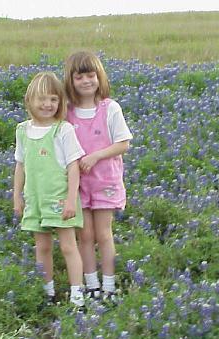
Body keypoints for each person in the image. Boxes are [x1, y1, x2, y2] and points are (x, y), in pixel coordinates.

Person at [64, 51, 132, 303]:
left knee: (104, 234)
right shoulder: (67, 112)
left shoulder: (110, 108)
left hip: (105, 181)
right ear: (70, 80)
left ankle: (109, 284)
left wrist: (95, 156)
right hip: (78, 185)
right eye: (79, 76)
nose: (86, 81)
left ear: (99, 76)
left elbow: (123, 143)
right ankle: (91, 284)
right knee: (86, 236)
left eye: (90, 75)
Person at [13, 71, 85, 308]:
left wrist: (70, 200)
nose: (47, 104)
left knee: (67, 246)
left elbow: (74, 167)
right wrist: (17, 196)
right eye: (42, 99)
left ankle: (77, 294)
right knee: (42, 246)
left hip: (59, 198)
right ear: (29, 101)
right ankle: (48, 291)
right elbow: (20, 166)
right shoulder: (22, 130)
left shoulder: (63, 129)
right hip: (34, 198)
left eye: (53, 99)